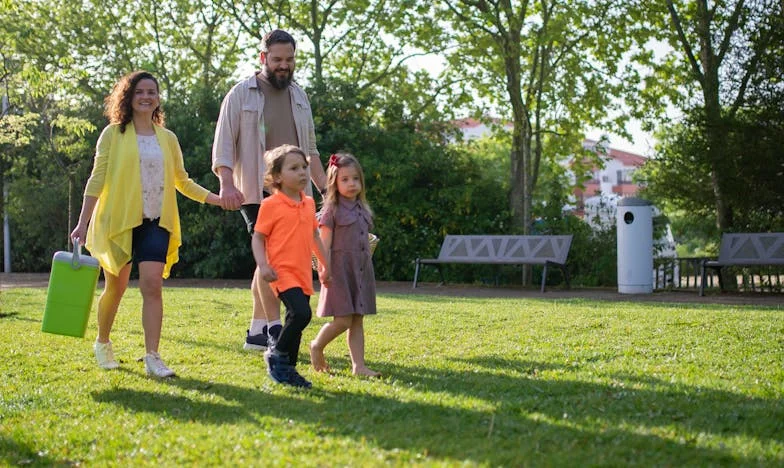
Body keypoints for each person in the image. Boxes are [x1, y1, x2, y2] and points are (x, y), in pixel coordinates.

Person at [71, 71, 222, 378]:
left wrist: (216, 199)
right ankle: (102, 342)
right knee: (117, 287)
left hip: (157, 222)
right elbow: (97, 179)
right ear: (128, 96)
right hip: (119, 221)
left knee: (152, 285)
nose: (146, 96)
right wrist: (82, 222)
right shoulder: (113, 134)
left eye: (152, 92)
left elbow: (182, 181)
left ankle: (153, 356)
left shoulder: (168, 139)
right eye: (140, 91)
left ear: (157, 98)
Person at [212, 29, 327, 352]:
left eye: (289, 60)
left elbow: (312, 152)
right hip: (254, 190)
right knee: (273, 257)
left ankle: (258, 332)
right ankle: (271, 329)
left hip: (294, 192)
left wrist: (325, 193)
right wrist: (226, 184)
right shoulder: (240, 94)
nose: (283, 65)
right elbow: (222, 145)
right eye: (277, 59)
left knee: (269, 261)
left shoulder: (300, 97)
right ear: (263, 58)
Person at [252, 145, 330, 388]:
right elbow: (258, 237)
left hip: (303, 272)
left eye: (304, 167)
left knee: (295, 322)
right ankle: (276, 354)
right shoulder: (271, 205)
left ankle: (288, 371)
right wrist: (263, 265)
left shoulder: (308, 204)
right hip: (280, 272)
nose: (302, 173)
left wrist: (327, 265)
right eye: (294, 168)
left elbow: (315, 237)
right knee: (301, 314)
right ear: (277, 177)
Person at [309, 153, 380, 377]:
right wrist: (324, 267)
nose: (352, 184)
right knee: (343, 320)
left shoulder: (363, 209)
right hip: (338, 271)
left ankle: (358, 366)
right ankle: (317, 345)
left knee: (357, 318)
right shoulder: (331, 211)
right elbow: (324, 242)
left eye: (356, 179)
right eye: (345, 179)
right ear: (334, 183)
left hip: (360, 271)